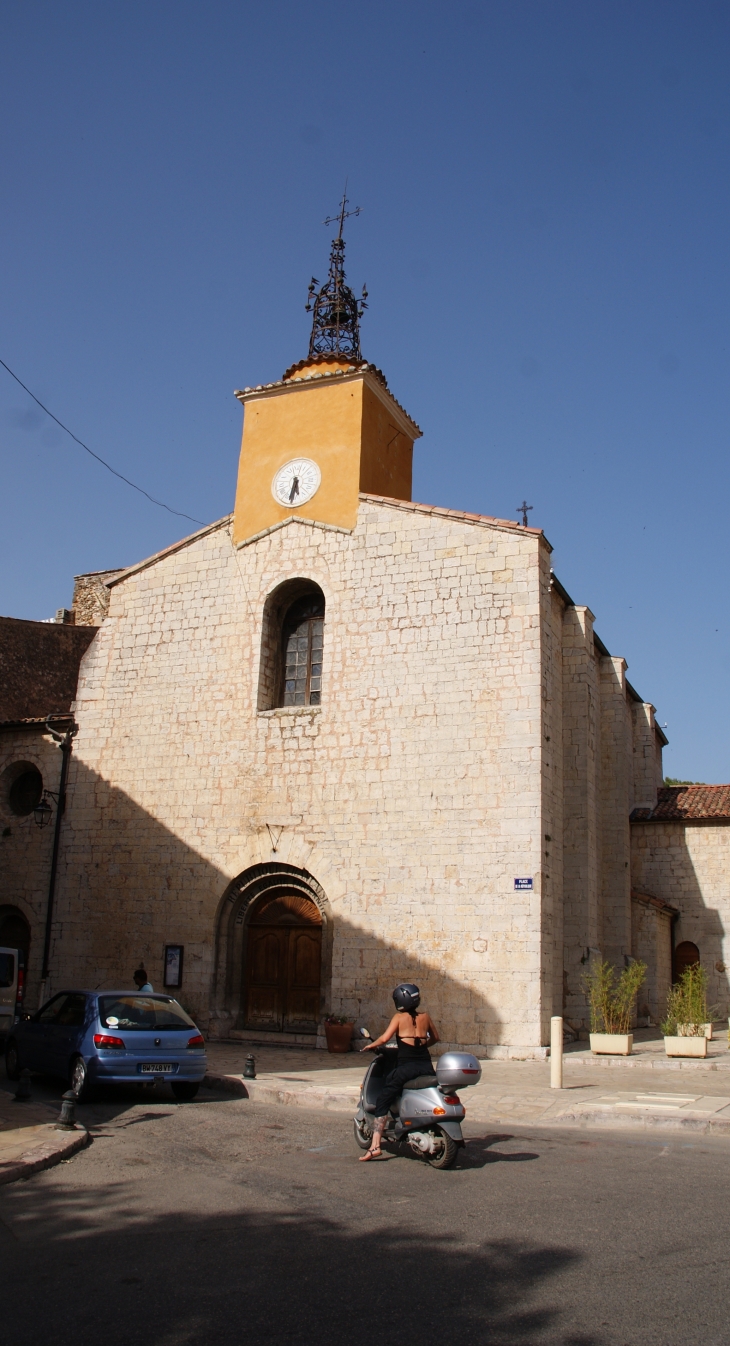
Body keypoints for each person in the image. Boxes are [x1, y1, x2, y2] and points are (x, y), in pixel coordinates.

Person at [358, 982, 440, 1161]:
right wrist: (422, 1046)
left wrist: (370, 1045)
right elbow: (435, 1037)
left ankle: (375, 1146)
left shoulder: (398, 1018)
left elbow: (385, 1038)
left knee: (383, 1099)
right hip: (425, 1066)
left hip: (405, 1068)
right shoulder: (425, 1017)